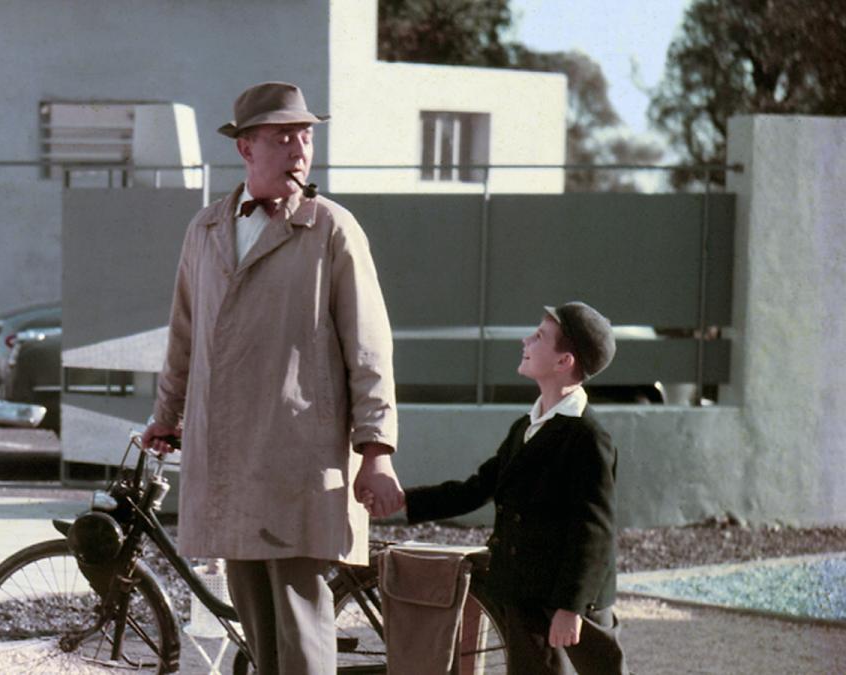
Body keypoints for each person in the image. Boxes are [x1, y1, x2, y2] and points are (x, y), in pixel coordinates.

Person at [142, 81, 403, 674]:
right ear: (246, 148)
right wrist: (167, 415)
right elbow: (184, 337)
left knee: (301, 636)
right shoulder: (206, 231)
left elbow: (370, 348)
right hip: (228, 464)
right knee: (258, 636)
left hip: (297, 464)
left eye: (305, 136)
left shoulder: (331, 229)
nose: (299, 149)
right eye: (283, 137)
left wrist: (377, 450)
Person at [369, 302, 630, 674]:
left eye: (539, 336)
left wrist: (570, 608)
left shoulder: (587, 438)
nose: (526, 339)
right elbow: (475, 489)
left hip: (575, 597)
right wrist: (403, 501)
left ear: (563, 362)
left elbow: (595, 532)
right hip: (524, 588)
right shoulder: (527, 426)